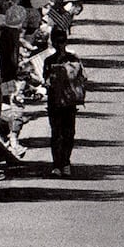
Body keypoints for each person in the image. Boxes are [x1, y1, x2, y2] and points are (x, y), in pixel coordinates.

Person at [44, 29, 86, 178]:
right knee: (58, 133)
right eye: (58, 41)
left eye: (62, 41)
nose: (60, 44)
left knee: (67, 133)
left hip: (66, 103)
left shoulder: (71, 59)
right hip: (57, 103)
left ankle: (65, 163)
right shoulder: (50, 61)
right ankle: (57, 164)